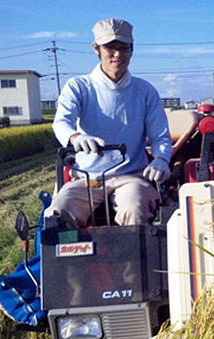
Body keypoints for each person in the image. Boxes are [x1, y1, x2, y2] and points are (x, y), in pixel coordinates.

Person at [45, 18, 172, 228]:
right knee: (58, 215)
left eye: (124, 48)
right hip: (87, 178)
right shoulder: (79, 87)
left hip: (131, 177)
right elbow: (61, 122)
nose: (117, 55)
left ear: (132, 50)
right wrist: (75, 137)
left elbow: (160, 135)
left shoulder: (144, 91)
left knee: (136, 209)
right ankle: (74, 260)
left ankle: (134, 260)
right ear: (96, 48)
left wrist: (161, 159)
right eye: (110, 48)